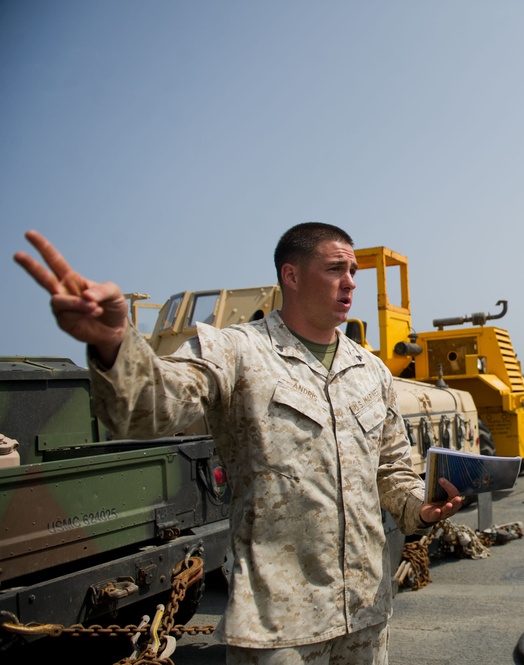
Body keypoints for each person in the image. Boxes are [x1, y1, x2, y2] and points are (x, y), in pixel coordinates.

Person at [14, 224, 464, 665]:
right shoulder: (237, 352)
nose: (349, 282)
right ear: (291, 276)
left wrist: (419, 508)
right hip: (279, 624)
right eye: (334, 269)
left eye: (353, 272)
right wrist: (114, 343)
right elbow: (148, 409)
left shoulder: (371, 370)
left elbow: (391, 468)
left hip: (367, 611)